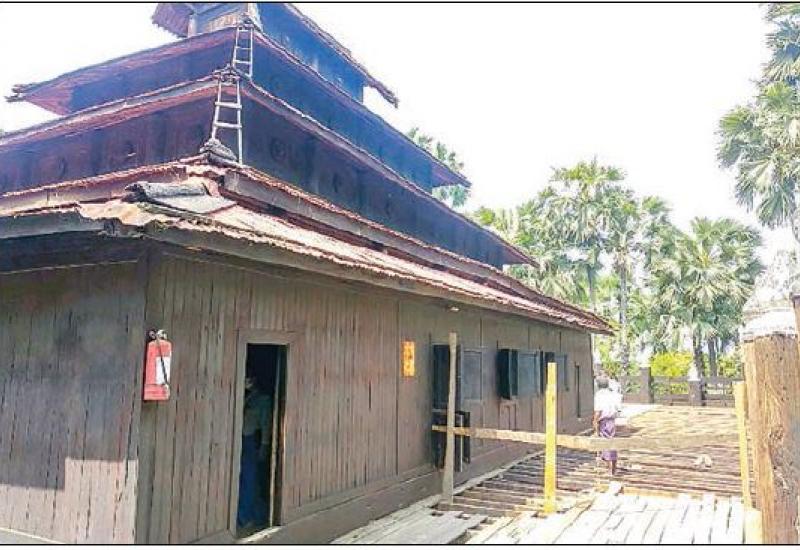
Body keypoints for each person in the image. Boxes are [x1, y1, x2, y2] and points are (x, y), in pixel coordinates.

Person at [237, 375, 273, 532]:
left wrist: (264, 445)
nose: (246, 381)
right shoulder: (242, 396)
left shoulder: (263, 400)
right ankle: (245, 515)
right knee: (242, 480)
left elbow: (266, 424)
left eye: (248, 379)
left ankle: (248, 517)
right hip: (240, 440)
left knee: (249, 480)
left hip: (251, 440)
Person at [593, 375, 618, 476]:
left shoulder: (599, 395)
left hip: (604, 421)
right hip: (612, 420)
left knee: (605, 444)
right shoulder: (612, 394)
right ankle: (613, 469)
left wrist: (595, 421)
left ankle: (610, 471)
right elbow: (617, 408)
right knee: (612, 443)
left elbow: (598, 411)